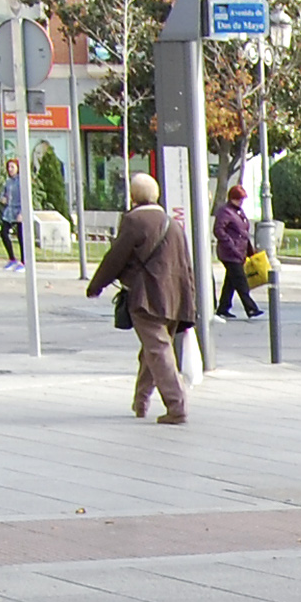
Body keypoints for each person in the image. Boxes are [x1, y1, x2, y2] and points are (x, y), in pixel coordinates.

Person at [86, 172, 196, 425]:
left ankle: (177, 406)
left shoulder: (134, 221)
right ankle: (141, 401)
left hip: (146, 296)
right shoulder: (173, 224)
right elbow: (186, 265)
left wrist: (96, 285)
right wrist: (190, 301)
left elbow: (115, 257)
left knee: (158, 350)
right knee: (152, 350)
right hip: (175, 296)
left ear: (133, 197)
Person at [214, 181, 262, 319]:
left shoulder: (238, 212)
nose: (241, 202)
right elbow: (218, 230)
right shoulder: (226, 211)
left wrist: (249, 250)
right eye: (239, 199)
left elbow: (244, 232)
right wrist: (230, 243)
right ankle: (251, 308)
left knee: (230, 282)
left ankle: (223, 307)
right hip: (230, 253)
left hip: (239, 251)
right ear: (232, 198)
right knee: (240, 281)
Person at [0, 157, 24, 268]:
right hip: (10, 211)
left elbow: (25, 198)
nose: (10, 169)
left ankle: (24, 261)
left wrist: (22, 213)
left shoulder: (21, 181)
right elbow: (3, 194)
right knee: (3, 233)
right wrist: (3, 198)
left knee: (21, 237)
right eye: (9, 167)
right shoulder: (8, 182)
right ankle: (12, 258)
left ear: (17, 168)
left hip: (19, 210)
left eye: (12, 167)